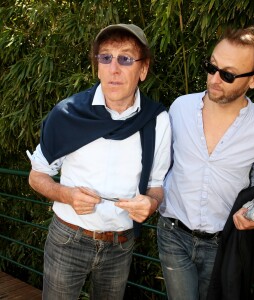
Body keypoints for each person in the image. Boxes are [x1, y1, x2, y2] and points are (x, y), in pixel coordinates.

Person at [27, 23, 171, 300]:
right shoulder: (68, 113)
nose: (113, 69)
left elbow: (156, 186)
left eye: (125, 59)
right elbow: (36, 176)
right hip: (68, 238)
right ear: (97, 66)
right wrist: (66, 194)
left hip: (120, 244)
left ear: (143, 69)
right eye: (105, 57)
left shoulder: (157, 121)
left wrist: (151, 204)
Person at [157, 26, 254, 300]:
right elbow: (160, 163)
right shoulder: (180, 107)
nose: (214, 79)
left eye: (227, 74)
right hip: (172, 232)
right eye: (211, 67)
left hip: (222, 243)